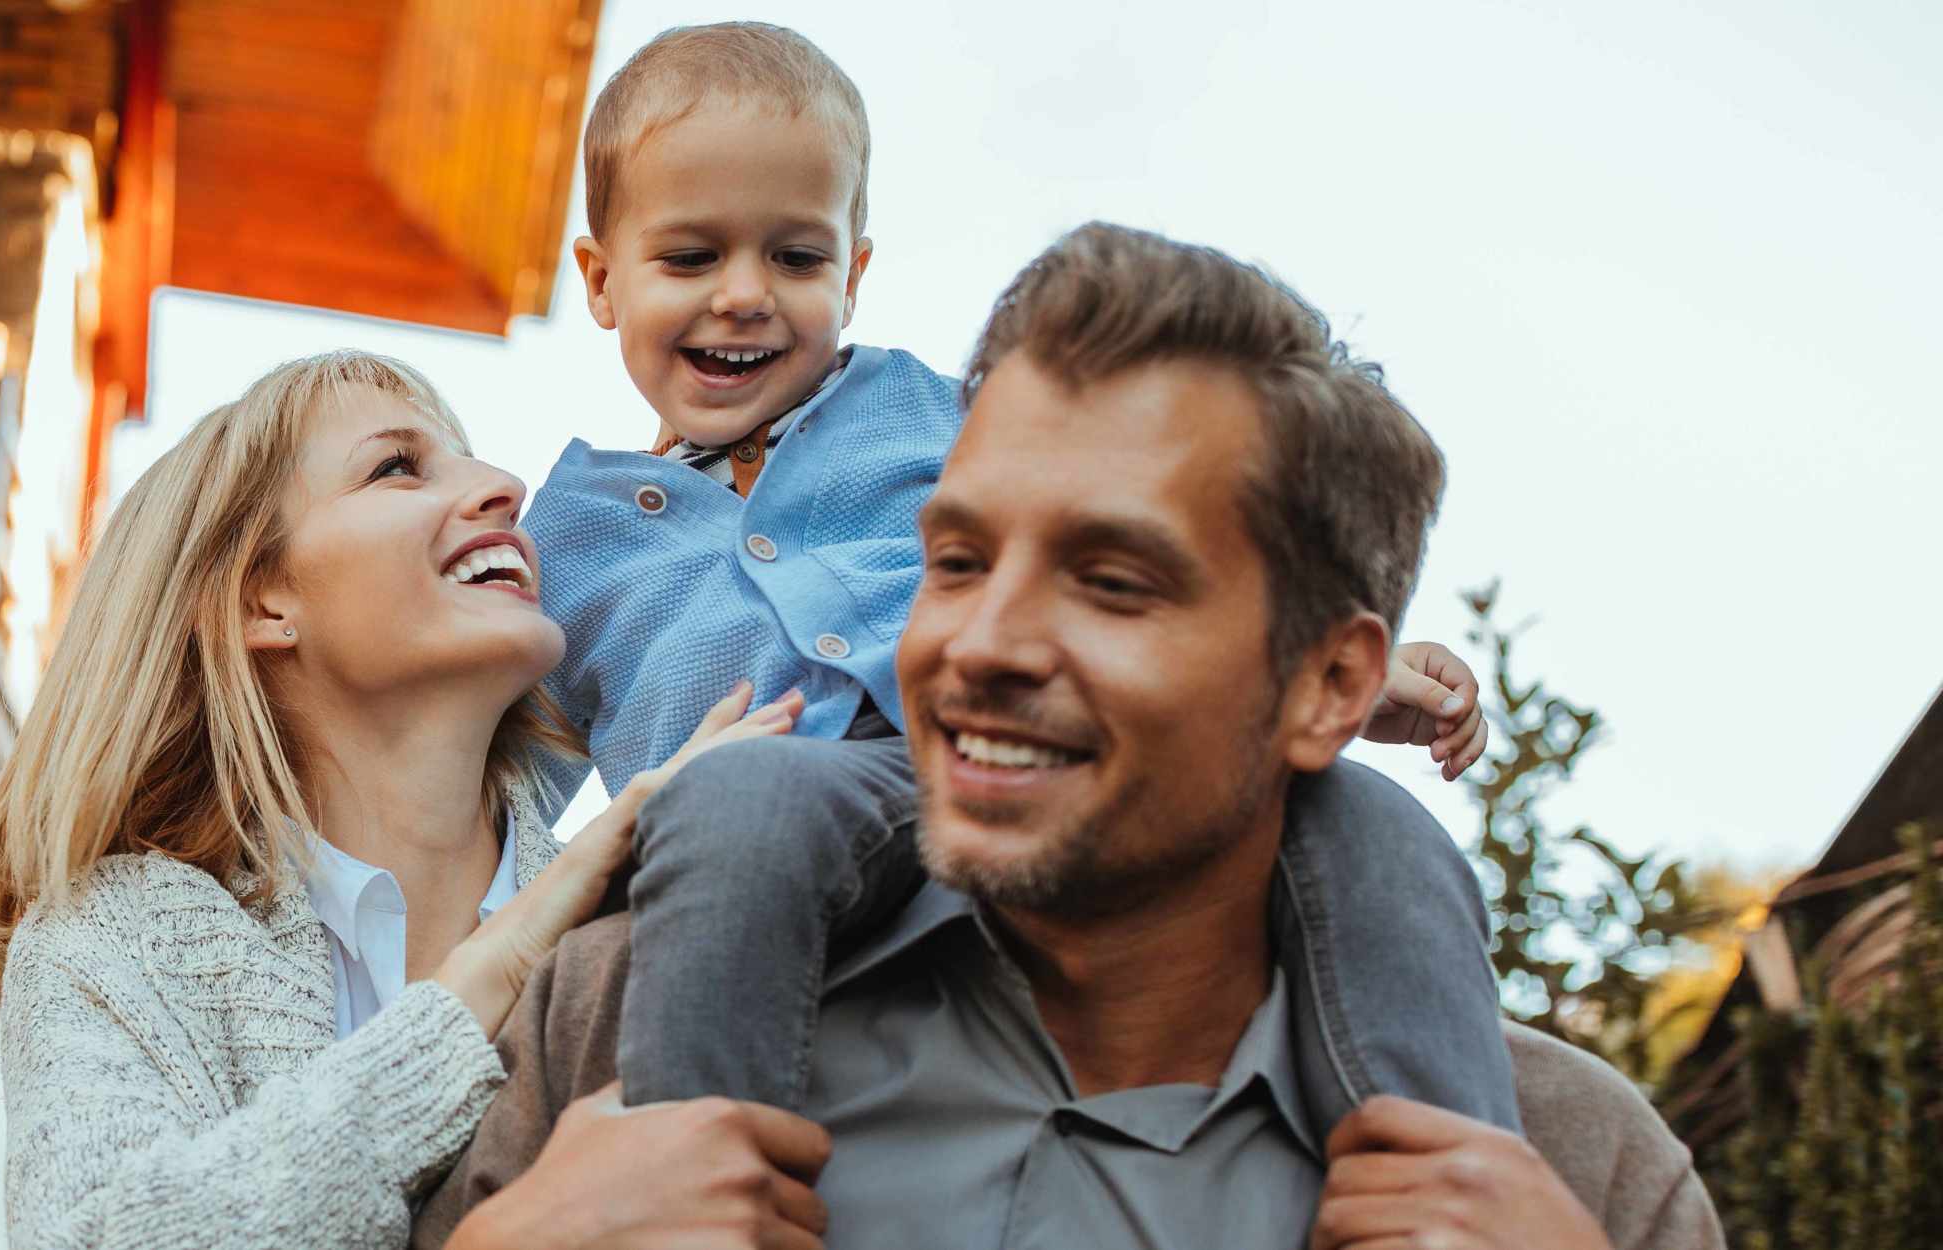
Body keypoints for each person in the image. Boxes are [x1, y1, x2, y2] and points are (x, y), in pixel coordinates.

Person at [415, 222, 1724, 1250]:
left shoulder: (1565, 1167)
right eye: (957, 559)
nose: (979, 644)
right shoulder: (612, 1040)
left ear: (1330, 684)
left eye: (1113, 581)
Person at [523, 21, 1519, 1133]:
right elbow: (508, 787)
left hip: (1018, 759)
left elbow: (1146, 532)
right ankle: (691, 1152)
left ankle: (1445, 1153)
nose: (746, 294)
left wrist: (1315, 670)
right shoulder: (567, 543)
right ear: (602, 281)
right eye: (692, 257)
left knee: (1365, 822)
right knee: (735, 805)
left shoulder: (924, 409)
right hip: (764, 835)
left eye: (796, 258)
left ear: (852, 273)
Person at [0, 351, 796, 1250]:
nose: (505, 487)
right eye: (396, 467)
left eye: (473, 460)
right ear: (262, 598)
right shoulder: (113, 939)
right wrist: (493, 981)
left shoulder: (648, 903)